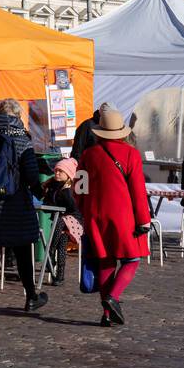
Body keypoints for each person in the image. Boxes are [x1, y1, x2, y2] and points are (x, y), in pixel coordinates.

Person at [0, 99, 50, 316]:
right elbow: (32, 175)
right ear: (17, 116)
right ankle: (31, 297)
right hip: (15, 204)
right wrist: (40, 191)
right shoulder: (21, 139)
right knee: (23, 249)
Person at [78, 109, 151, 326]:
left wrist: (85, 210)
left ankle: (106, 315)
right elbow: (138, 190)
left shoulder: (88, 154)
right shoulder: (130, 154)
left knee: (106, 263)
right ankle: (113, 297)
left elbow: (79, 188)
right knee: (132, 260)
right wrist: (143, 220)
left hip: (95, 216)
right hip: (123, 216)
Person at [40, 157, 82, 286]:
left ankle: (50, 253)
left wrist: (64, 195)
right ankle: (59, 275)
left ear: (68, 175)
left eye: (61, 171)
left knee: (61, 231)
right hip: (59, 222)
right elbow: (47, 206)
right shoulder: (52, 186)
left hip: (73, 222)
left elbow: (74, 209)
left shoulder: (70, 190)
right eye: (56, 171)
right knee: (62, 245)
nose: (57, 173)